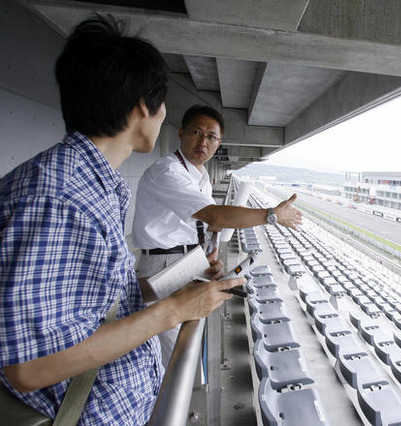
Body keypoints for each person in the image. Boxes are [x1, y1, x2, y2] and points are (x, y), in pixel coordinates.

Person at [0, 15, 244, 425]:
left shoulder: (88, 185)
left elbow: (96, 303)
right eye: (163, 103)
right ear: (142, 107)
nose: (164, 114)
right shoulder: (59, 198)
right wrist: (172, 313)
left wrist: (177, 290)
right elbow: (30, 367)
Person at [132, 104, 303, 366]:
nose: (203, 141)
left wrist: (205, 257)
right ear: (181, 133)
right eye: (196, 133)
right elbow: (215, 217)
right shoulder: (168, 172)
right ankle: (166, 405)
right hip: (164, 266)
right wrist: (272, 215)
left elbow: (210, 226)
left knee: (185, 343)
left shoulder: (199, 176)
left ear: (219, 142)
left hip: (186, 262)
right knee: (172, 355)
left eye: (211, 137)